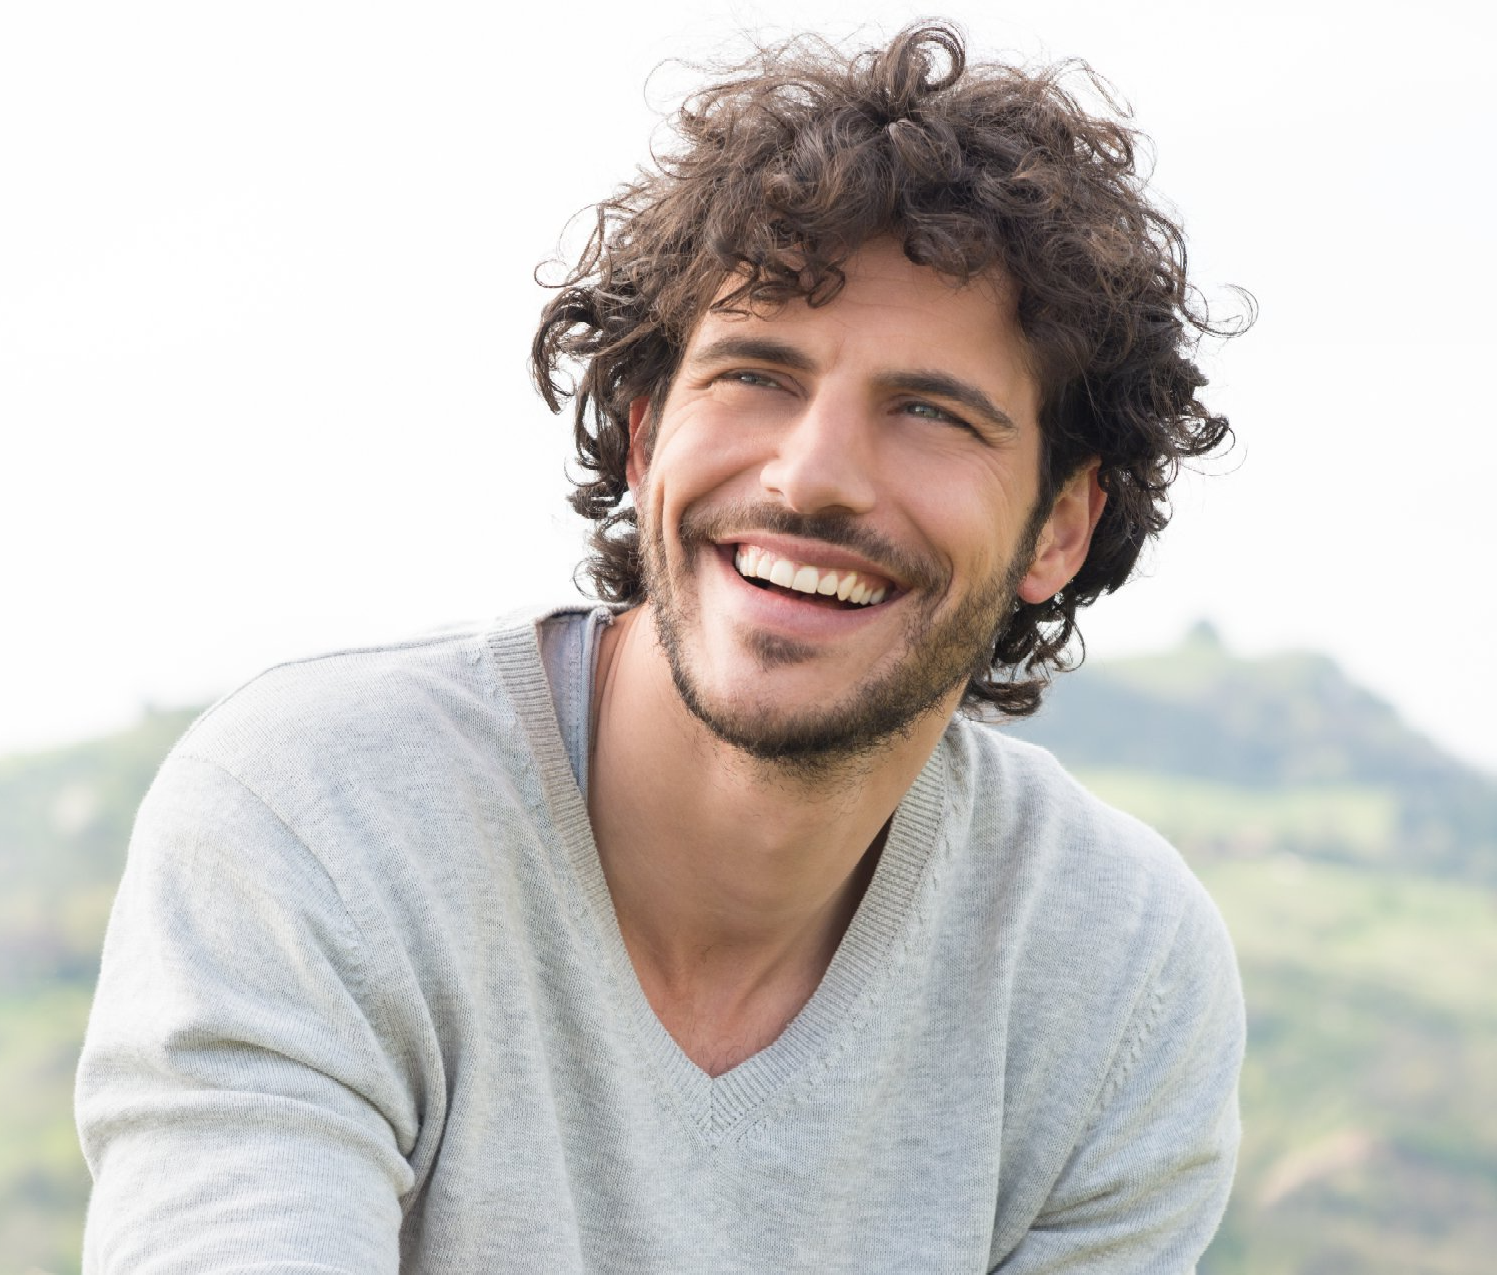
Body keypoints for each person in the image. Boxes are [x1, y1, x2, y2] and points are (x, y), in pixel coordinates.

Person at [76, 21, 1245, 1274]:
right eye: (756, 375)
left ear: (1061, 526)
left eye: (928, 412)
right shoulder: (319, 818)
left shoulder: (1116, 972)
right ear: (643, 443)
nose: (812, 479)